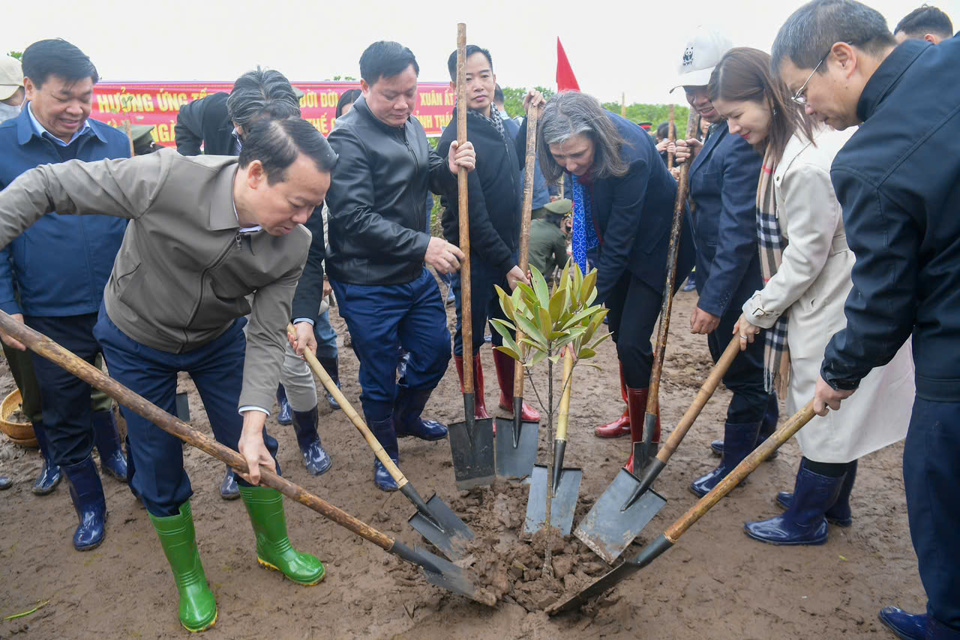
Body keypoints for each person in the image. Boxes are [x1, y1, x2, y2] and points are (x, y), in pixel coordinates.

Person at [0, 116, 336, 632]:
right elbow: (48, 184)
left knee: (255, 444)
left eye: (315, 205)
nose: (305, 217)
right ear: (254, 174)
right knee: (155, 459)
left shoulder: (292, 244)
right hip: (136, 336)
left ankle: (275, 543)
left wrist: (250, 426)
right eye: (297, 202)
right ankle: (189, 576)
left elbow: (267, 336)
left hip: (217, 340)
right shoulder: (167, 178)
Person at [774, 1, 960, 637]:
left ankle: (949, 622)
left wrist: (840, 371)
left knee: (936, 478)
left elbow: (883, 302)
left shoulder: (869, 160)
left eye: (804, 90)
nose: (808, 109)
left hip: (953, 343)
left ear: (843, 59)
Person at [709, 47, 913, 548]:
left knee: (820, 408)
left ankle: (805, 517)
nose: (733, 129)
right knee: (836, 410)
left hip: (832, 298)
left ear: (770, 96)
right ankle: (833, 502)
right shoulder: (796, 144)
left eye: (738, 114)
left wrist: (755, 310)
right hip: (833, 290)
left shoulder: (803, 165)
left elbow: (803, 258)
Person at [301, 41, 474, 492]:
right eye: (390, 94)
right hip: (366, 280)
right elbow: (354, 218)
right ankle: (385, 451)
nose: (402, 104)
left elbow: (425, 173)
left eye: (410, 93)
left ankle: (404, 417)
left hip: (412, 273)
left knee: (436, 349)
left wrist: (447, 166)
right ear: (363, 87)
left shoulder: (411, 125)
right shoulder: (346, 137)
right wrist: (423, 245)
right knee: (378, 370)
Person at [0, 40, 131, 548]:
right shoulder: (3, 147)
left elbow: (135, 223)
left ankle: (134, 470)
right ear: (29, 87)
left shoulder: (115, 143)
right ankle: (91, 507)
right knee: (63, 411)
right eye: (64, 97)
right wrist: (9, 308)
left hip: (122, 306)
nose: (77, 109)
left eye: (86, 96)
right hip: (47, 312)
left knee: (134, 400)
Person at [178, 68, 330, 497]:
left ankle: (309, 436)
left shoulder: (304, 160)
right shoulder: (210, 115)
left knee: (293, 363)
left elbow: (309, 246)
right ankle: (238, 456)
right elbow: (183, 125)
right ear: (237, 129)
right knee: (236, 370)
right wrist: (194, 161)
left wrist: (302, 316)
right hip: (224, 270)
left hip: (280, 265)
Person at [530, 89, 694, 472]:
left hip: (657, 247)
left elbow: (622, 244)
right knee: (619, 333)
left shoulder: (630, 155)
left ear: (596, 139)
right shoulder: (571, 139)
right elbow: (604, 233)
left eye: (577, 155)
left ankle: (646, 441)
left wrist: (584, 308)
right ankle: (633, 412)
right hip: (615, 241)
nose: (569, 166)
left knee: (634, 341)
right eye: (559, 157)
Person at [671, 30, 780, 498]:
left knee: (742, 372)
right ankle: (761, 439)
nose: (698, 100)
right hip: (722, 269)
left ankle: (737, 466)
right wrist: (697, 160)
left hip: (739, 279)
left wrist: (713, 301)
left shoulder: (738, 137)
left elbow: (739, 229)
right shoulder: (720, 131)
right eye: (691, 91)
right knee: (750, 369)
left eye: (705, 90)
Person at [437, 45, 538, 424]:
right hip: (474, 254)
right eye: (467, 79)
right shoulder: (458, 137)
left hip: (506, 249)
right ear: (453, 87)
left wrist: (529, 122)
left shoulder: (496, 123)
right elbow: (474, 219)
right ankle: (475, 404)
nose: (478, 85)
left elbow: (511, 160)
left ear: (495, 79)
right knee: (471, 328)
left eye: (484, 76)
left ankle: (510, 399)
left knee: (507, 325)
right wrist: (507, 262)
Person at [528, 199, 572, 279]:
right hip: (533, 276)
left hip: (519, 268)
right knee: (553, 261)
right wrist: (569, 254)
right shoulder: (557, 235)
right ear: (563, 220)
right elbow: (563, 264)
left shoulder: (533, 222)